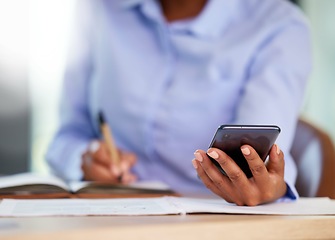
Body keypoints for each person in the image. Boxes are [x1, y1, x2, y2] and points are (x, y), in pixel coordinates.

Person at [46, 0, 312, 206]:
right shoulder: (101, 9)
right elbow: (64, 139)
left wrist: (269, 188)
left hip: (208, 219)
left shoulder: (279, 26)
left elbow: (260, 166)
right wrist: (83, 159)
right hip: (106, 213)